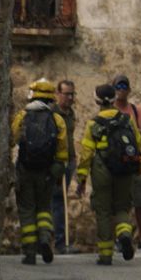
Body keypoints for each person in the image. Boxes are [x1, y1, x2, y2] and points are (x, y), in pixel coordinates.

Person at [75, 85, 140, 266]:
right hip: (124, 169)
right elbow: (138, 143)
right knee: (121, 208)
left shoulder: (93, 123)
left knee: (103, 211)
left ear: (96, 101)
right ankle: (125, 234)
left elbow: (86, 153)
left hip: (102, 169)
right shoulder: (127, 120)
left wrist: (81, 179)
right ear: (114, 100)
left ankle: (105, 255)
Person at [11, 78, 68, 266]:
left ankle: (29, 253)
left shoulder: (22, 116)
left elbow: (12, 139)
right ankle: (45, 239)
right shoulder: (56, 119)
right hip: (46, 171)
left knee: (27, 210)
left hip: (25, 170)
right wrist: (57, 170)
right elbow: (62, 149)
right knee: (45, 208)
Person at [112, 76, 141, 248]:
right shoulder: (109, 110)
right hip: (116, 161)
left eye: (124, 86)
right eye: (118, 86)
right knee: (119, 202)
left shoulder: (136, 110)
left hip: (136, 159)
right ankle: (120, 239)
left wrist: (127, 127)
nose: (121, 89)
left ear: (129, 90)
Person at [51, 79, 77, 254]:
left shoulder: (70, 113)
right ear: (57, 94)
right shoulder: (53, 114)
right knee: (57, 200)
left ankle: (59, 241)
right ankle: (58, 241)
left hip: (69, 161)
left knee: (61, 200)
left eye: (72, 94)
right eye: (67, 94)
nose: (70, 97)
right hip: (56, 162)